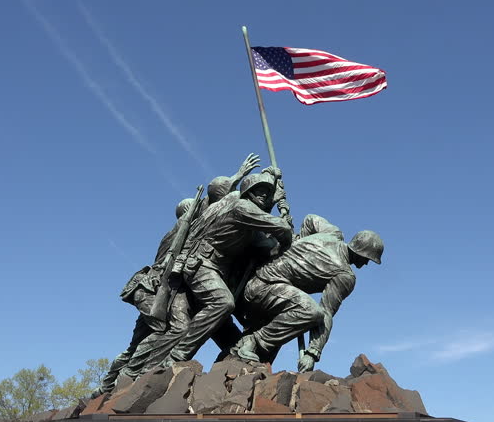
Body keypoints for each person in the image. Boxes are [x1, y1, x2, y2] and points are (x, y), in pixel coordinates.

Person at [91, 155, 262, 396]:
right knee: (167, 332)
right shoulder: (178, 233)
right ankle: (128, 381)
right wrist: (237, 178)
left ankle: (118, 382)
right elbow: (212, 204)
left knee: (146, 340)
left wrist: (238, 176)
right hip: (156, 289)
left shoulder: (196, 227)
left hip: (172, 289)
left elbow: (214, 202)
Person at [157, 170, 294, 367]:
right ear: (248, 191)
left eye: (267, 192)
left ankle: (232, 360)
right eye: (260, 190)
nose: (264, 194)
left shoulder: (234, 203)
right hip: (202, 264)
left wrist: (273, 189)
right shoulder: (242, 207)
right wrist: (286, 232)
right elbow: (279, 227)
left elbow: (263, 237)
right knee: (223, 303)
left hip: (214, 268)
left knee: (229, 331)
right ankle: (177, 356)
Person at [231, 215, 384, 372]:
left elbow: (310, 220)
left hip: (259, 282)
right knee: (310, 312)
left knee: (277, 340)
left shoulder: (333, 233)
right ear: (360, 252)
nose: (365, 263)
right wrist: (313, 353)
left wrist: (297, 245)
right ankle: (253, 341)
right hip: (263, 290)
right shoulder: (345, 275)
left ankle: (249, 360)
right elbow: (326, 313)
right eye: (367, 258)